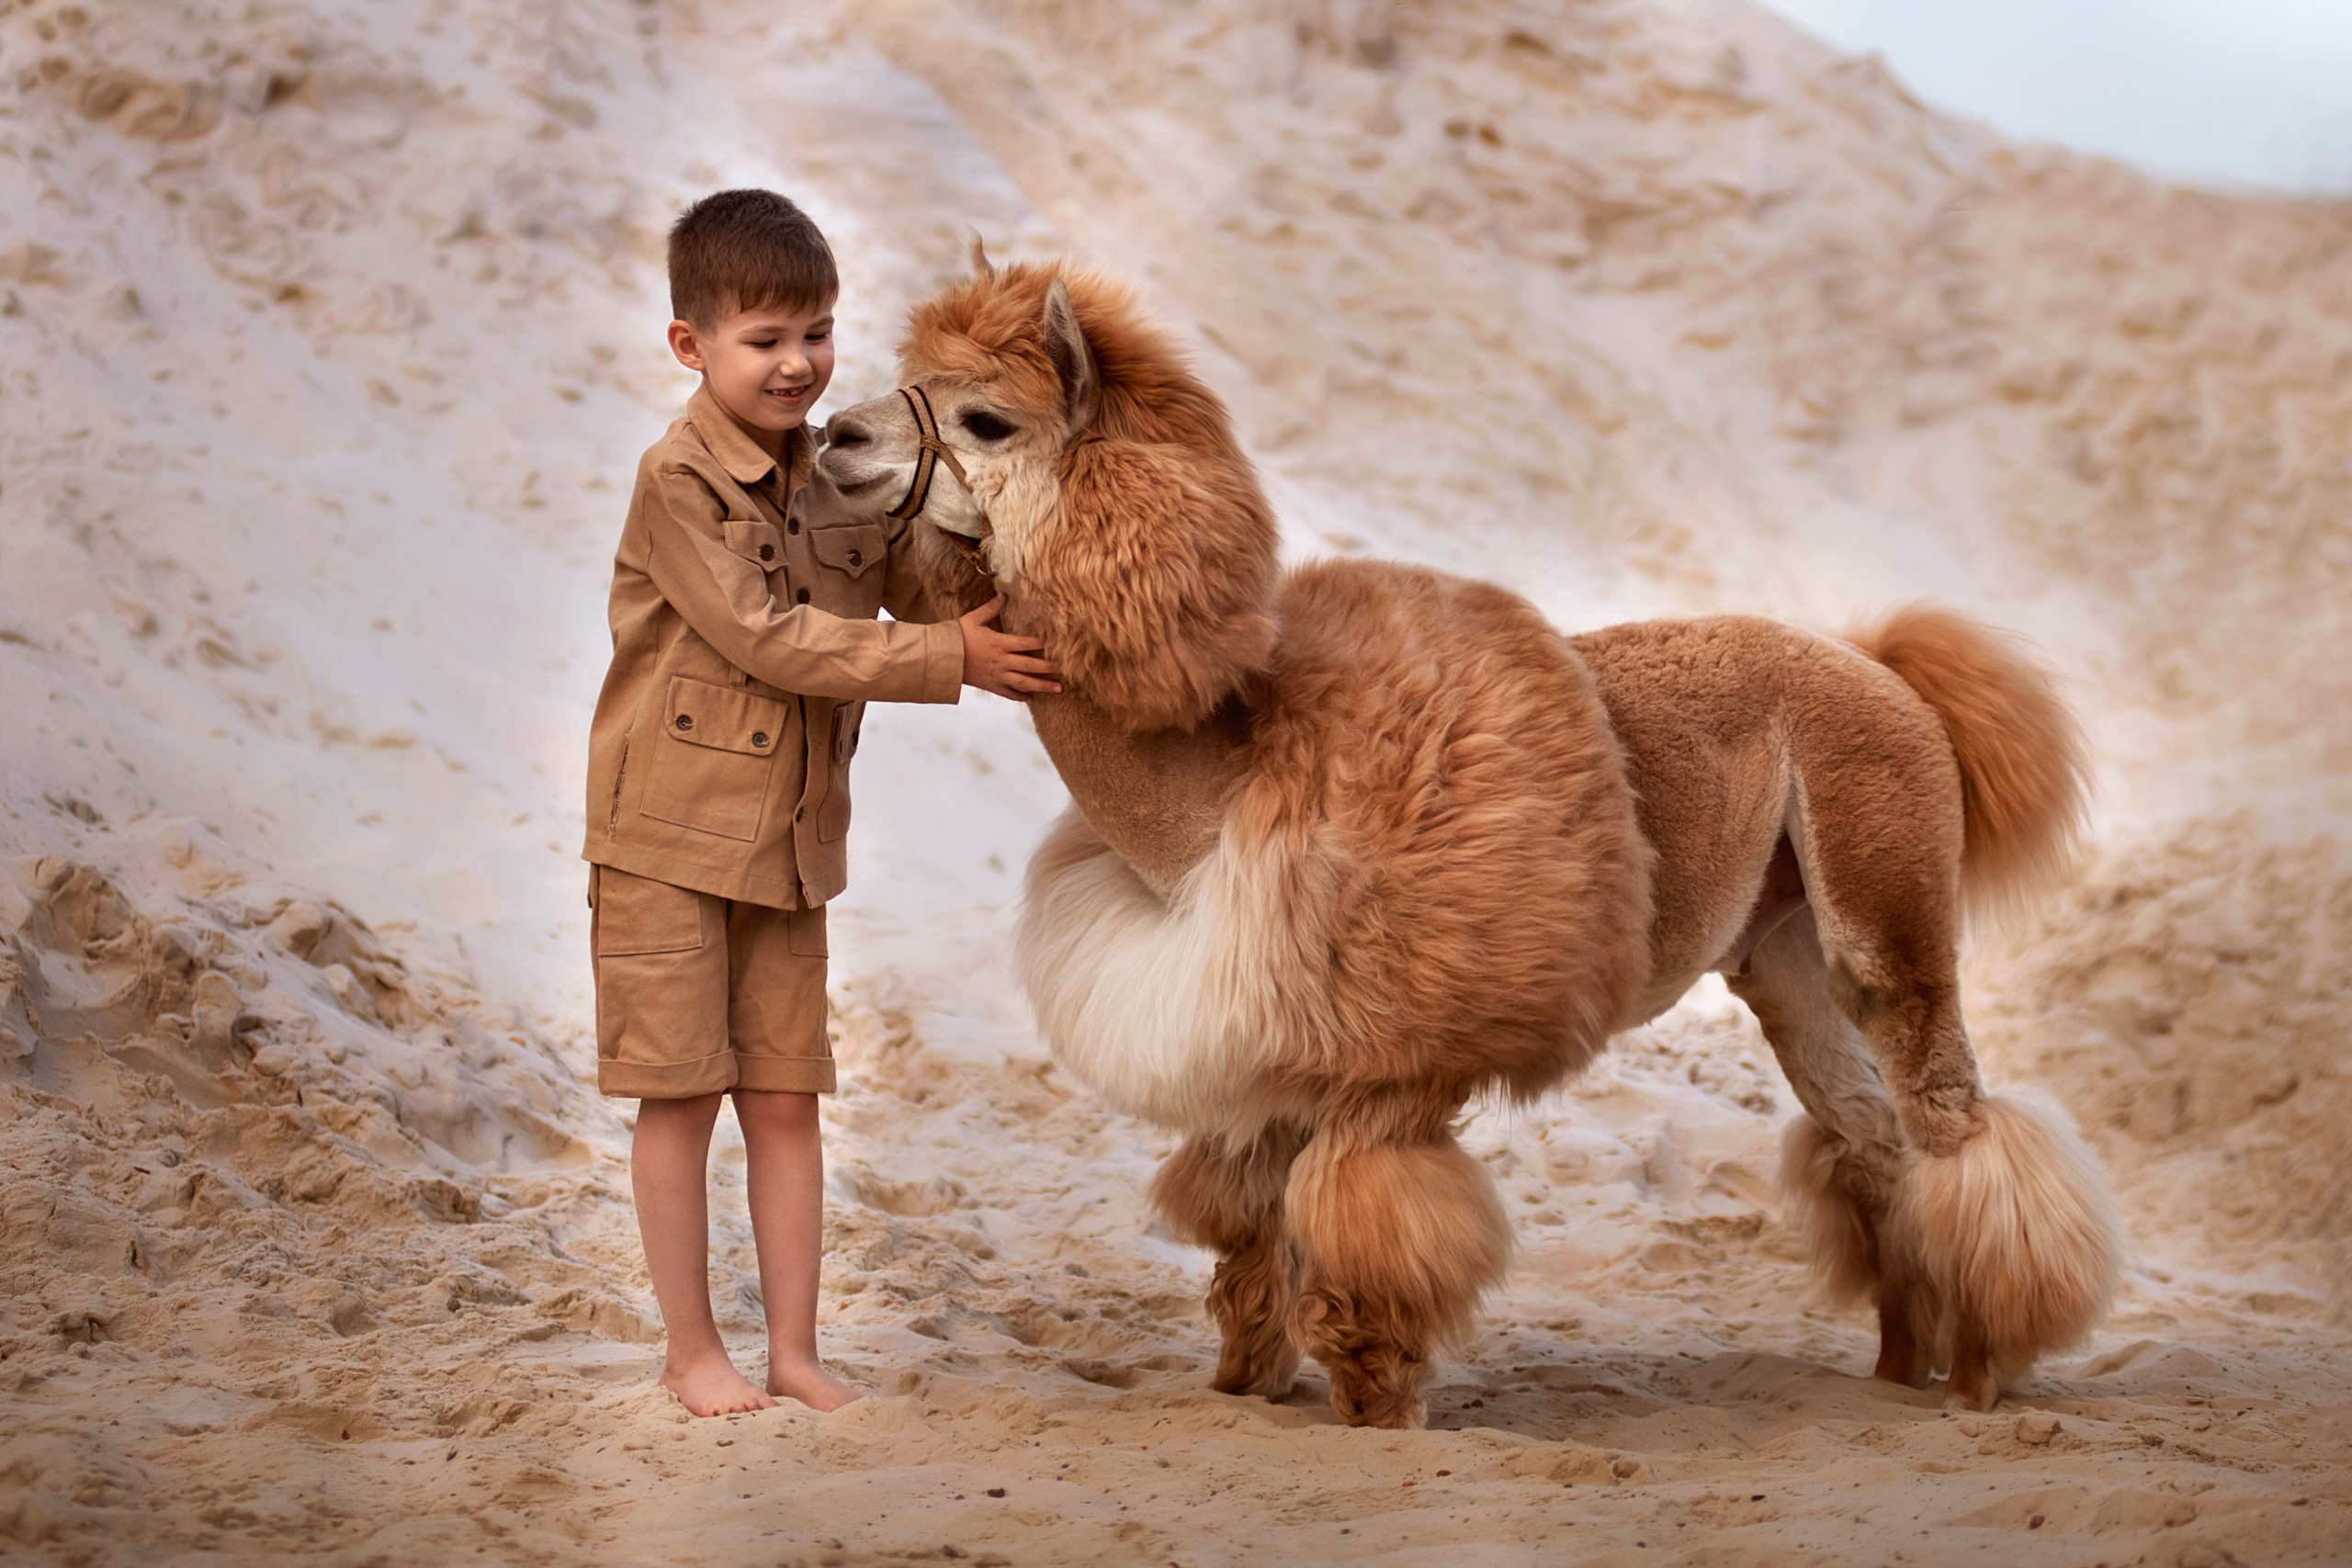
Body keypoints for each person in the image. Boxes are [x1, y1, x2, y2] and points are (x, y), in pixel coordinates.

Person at [581, 188, 1057, 1416]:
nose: (800, 364)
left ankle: (794, 1352)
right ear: (691, 346)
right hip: (667, 843)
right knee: (680, 1095)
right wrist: (952, 658)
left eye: (821, 332)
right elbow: (771, 640)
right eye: (766, 339)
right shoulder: (679, 482)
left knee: (786, 1098)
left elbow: (921, 566)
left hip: (788, 847)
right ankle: (695, 1353)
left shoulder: (841, 470)